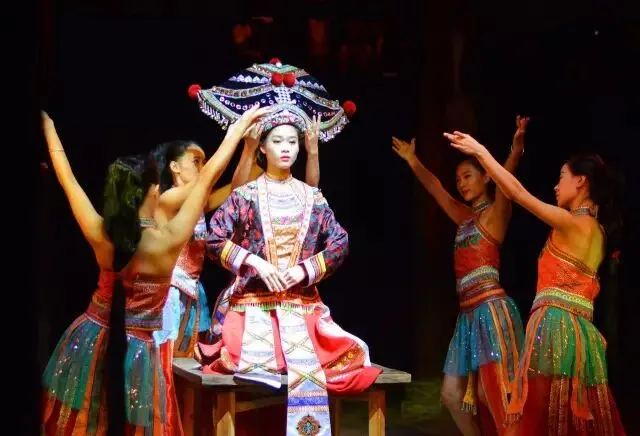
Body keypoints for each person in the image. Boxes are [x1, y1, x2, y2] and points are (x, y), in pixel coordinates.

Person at [41, 106, 269, 434]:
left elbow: (68, 180)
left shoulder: (102, 232)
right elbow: (208, 179)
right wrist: (239, 128)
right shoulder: (169, 239)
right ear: (153, 190)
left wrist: (48, 125)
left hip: (92, 337)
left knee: (89, 421)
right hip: (138, 349)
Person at [192, 60, 379, 435]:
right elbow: (213, 238)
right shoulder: (245, 194)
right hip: (251, 305)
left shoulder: (311, 197)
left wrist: (303, 270)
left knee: (344, 358)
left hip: (302, 307)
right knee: (243, 366)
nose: (286, 149)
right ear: (262, 147)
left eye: (292, 142)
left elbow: (339, 242)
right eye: (277, 141)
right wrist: (256, 264)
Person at [445, 131, 626, 435]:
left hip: (556, 328)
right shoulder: (597, 231)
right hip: (579, 335)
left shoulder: (575, 224)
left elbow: (517, 193)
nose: (556, 185)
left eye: (562, 177)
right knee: (561, 421)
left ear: (581, 181)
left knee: (530, 420)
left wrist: (480, 151)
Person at [392, 117, 528, 436]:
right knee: (452, 396)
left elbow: (507, 179)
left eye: (468, 176)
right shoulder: (464, 218)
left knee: (491, 394)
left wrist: (516, 149)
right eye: (459, 179)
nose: (462, 184)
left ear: (486, 177)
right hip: (467, 317)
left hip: (491, 311)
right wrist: (412, 160)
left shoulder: (495, 215)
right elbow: (436, 189)